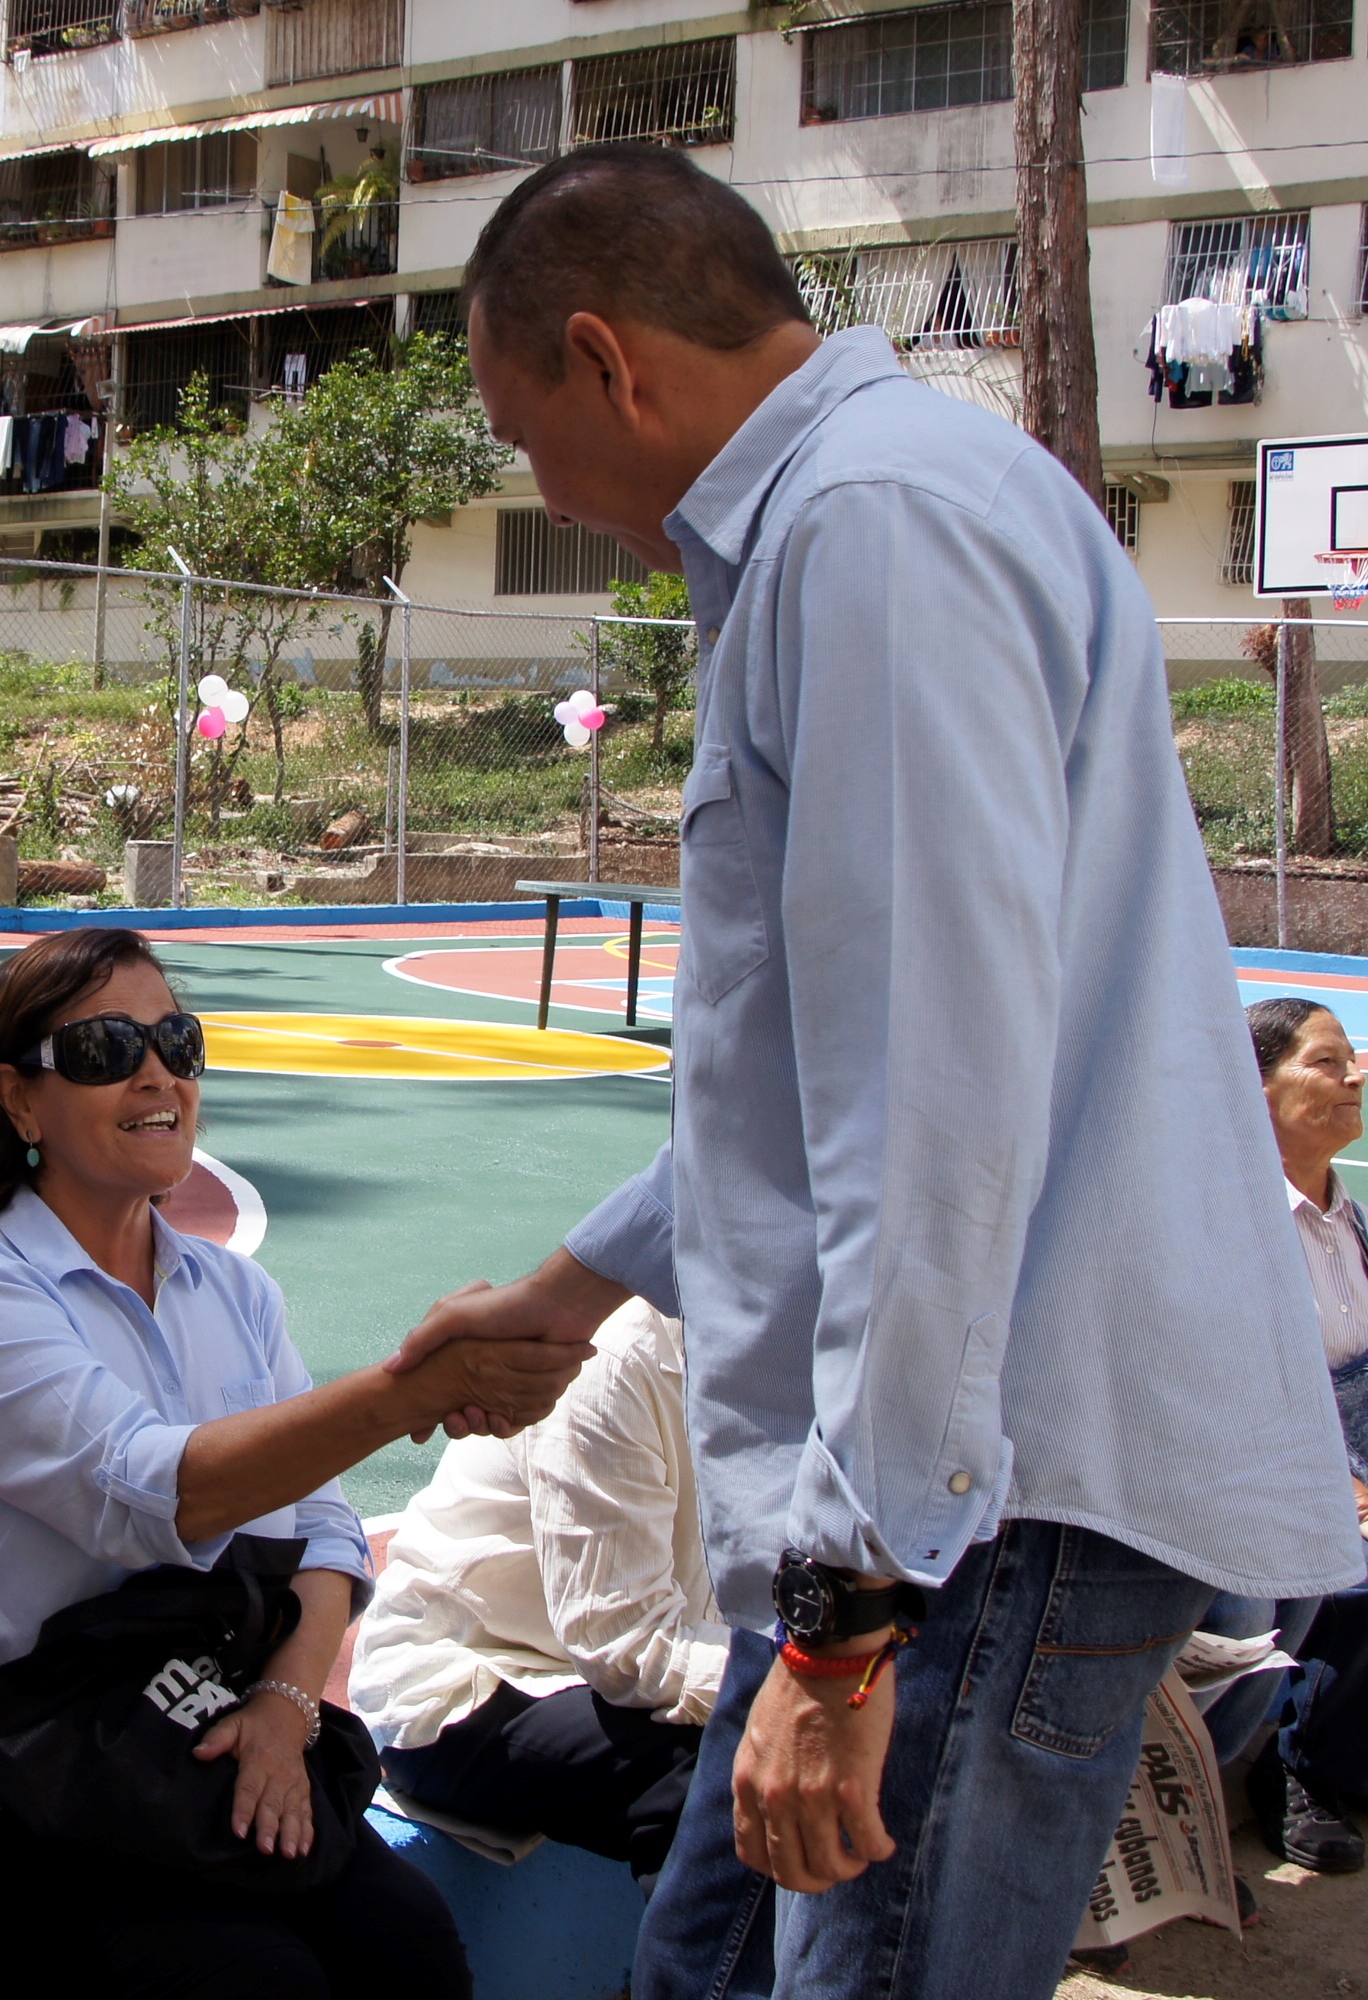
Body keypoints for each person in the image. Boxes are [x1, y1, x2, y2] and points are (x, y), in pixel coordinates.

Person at [396, 142, 1363, 2000]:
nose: (547, 493)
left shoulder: (871, 530)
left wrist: (841, 1645)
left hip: (971, 1516)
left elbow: (929, 1123)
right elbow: (799, 1083)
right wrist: (568, 1289)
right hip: (917, 1522)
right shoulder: (866, 511)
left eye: (524, 438)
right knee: (707, 1973)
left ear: (606, 360)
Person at [0, 924, 592, 2000]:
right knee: (246, 1978)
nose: (157, 1069)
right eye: (105, 1048)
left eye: (177, 1038)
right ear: (19, 1098)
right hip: (23, 1776)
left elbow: (321, 1525)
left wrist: (281, 1704)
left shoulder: (233, 1292)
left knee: (408, 1943)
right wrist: (407, 1389)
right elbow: (151, 1490)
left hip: (196, 1733)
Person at [350, 1297, 724, 1894]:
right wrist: (793, 1679)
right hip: (470, 1683)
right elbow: (625, 1645)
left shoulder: (809, 1364)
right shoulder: (615, 1363)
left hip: (596, 1665)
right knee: (712, 1779)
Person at [1228, 996, 1368, 1872]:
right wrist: (1340, 1484)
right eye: (1327, 1061)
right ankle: (1295, 1768)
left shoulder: (1346, 1224)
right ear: (1256, 1086)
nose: (1354, 1075)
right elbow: (1235, 1392)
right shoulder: (1233, 1228)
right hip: (1270, 1460)